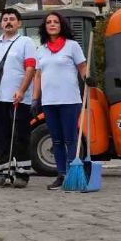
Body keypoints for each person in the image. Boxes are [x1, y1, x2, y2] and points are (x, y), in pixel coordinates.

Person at [32, 11, 93, 190]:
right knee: (56, 140)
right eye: (49, 22)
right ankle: (61, 174)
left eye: (55, 22)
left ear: (61, 25)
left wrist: (87, 78)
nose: (52, 24)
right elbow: (38, 75)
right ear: (45, 27)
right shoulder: (41, 49)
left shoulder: (72, 46)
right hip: (49, 101)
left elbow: (82, 67)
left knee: (70, 139)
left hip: (69, 100)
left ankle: (75, 172)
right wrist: (35, 99)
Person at [0, 8, 38, 188]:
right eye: (5, 19)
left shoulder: (26, 42)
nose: (8, 22)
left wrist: (22, 90)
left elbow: (31, 68)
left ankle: (22, 173)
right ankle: (4, 172)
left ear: (19, 23)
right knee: (1, 136)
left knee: (20, 136)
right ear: (1, 23)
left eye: (12, 19)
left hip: (18, 97)